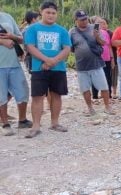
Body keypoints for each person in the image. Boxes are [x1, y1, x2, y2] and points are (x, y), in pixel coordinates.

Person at [24, 1, 71, 138]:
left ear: (56, 14)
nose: (51, 15)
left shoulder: (62, 30)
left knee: (56, 95)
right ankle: (36, 126)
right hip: (39, 69)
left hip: (58, 68)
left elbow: (67, 48)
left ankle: (55, 123)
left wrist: (53, 61)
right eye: (48, 12)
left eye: (53, 13)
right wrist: (46, 60)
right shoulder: (32, 29)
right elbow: (31, 47)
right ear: (41, 12)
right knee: (37, 96)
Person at [69, 10, 114, 116]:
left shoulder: (95, 27)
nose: (84, 21)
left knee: (104, 87)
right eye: (81, 20)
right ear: (76, 21)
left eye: (85, 19)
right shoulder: (72, 32)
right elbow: (70, 48)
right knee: (85, 89)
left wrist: (97, 36)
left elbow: (104, 43)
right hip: (81, 65)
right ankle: (90, 108)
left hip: (96, 63)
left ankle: (107, 107)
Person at [0, 10, 32, 136]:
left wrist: (12, 37)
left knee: (23, 91)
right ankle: (5, 124)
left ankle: (22, 120)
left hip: (14, 63)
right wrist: (2, 42)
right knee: (1, 95)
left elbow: (21, 38)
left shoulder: (7, 17)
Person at [92, 17, 114, 99]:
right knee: (95, 77)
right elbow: (94, 37)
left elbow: (109, 46)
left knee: (107, 77)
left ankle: (108, 95)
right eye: (99, 22)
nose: (101, 24)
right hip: (97, 58)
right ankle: (95, 95)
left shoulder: (106, 33)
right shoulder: (93, 32)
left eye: (102, 22)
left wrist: (112, 59)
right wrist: (96, 25)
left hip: (107, 58)